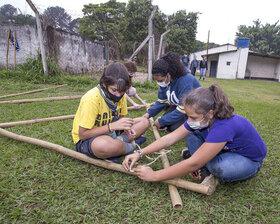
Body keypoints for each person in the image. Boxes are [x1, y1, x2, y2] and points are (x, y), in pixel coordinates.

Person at [123, 84, 267, 185]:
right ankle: (204, 155)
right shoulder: (203, 118)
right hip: (223, 148)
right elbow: (170, 138)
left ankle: (204, 157)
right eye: (188, 116)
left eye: (193, 117)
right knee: (191, 134)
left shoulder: (224, 126)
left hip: (248, 160)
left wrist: (154, 175)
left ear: (210, 113)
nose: (189, 121)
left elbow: (194, 164)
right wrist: (140, 153)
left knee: (219, 168)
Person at [72, 62, 149, 163]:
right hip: (90, 139)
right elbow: (83, 135)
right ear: (104, 84)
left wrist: (127, 128)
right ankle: (130, 147)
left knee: (144, 122)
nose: (118, 95)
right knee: (103, 146)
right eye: (114, 90)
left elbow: (121, 118)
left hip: (112, 132)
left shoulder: (121, 95)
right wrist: (111, 126)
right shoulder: (92, 98)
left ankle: (119, 144)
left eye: (122, 91)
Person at [143, 52, 201, 132]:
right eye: (157, 80)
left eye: (160, 80)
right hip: (180, 106)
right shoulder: (165, 82)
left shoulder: (185, 81)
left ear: (169, 74)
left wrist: (161, 121)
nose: (159, 83)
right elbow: (161, 102)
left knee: (173, 127)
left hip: (194, 108)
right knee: (166, 122)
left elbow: (183, 109)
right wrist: (147, 115)